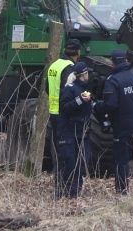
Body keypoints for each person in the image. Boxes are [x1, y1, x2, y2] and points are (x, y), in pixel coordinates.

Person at [93, 49, 133, 194]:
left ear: (112, 63)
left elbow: (110, 104)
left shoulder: (113, 80)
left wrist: (96, 106)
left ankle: (122, 190)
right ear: (126, 61)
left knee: (121, 160)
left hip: (122, 127)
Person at [47, 39, 80, 197]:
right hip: (64, 115)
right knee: (67, 154)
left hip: (53, 113)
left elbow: (48, 88)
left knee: (59, 152)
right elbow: (68, 91)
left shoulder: (54, 65)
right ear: (78, 52)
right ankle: (64, 190)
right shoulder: (70, 69)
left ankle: (59, 188)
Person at [57, 62, 93, 198]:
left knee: (81, 164)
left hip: (83, 132)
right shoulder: (70, 89)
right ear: (82, 75)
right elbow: (65, 108)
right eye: (87, 73)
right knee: (69, 163)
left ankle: (75, 193)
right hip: (69, 132)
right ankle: (63, 193)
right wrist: (79, 101)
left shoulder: (86, 89)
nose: (88, 75)